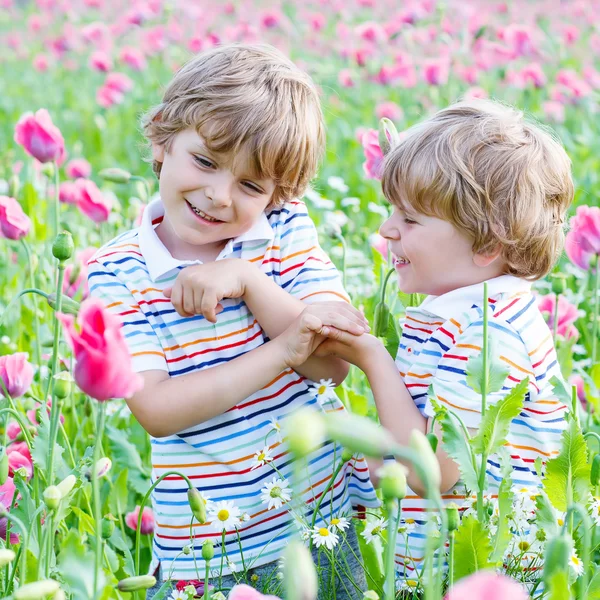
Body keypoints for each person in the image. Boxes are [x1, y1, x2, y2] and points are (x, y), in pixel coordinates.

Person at [87, 43, 379, 599]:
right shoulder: (115, 272)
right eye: (204, 161)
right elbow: (156, 408)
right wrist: (282, 349)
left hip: (316, 519)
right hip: (206, 548)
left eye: (250, 186)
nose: (218, 196)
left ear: (277, 194)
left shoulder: (285, 231)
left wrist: (248, 278)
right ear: (161, 140)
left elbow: (334, 362)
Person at [287, 99, 574, 588]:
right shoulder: (463, 313)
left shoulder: (489, 336)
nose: (386, 230)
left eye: (411, 220)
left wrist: (370, 358)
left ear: (487, 245)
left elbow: (432, 473)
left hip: (479, 577)